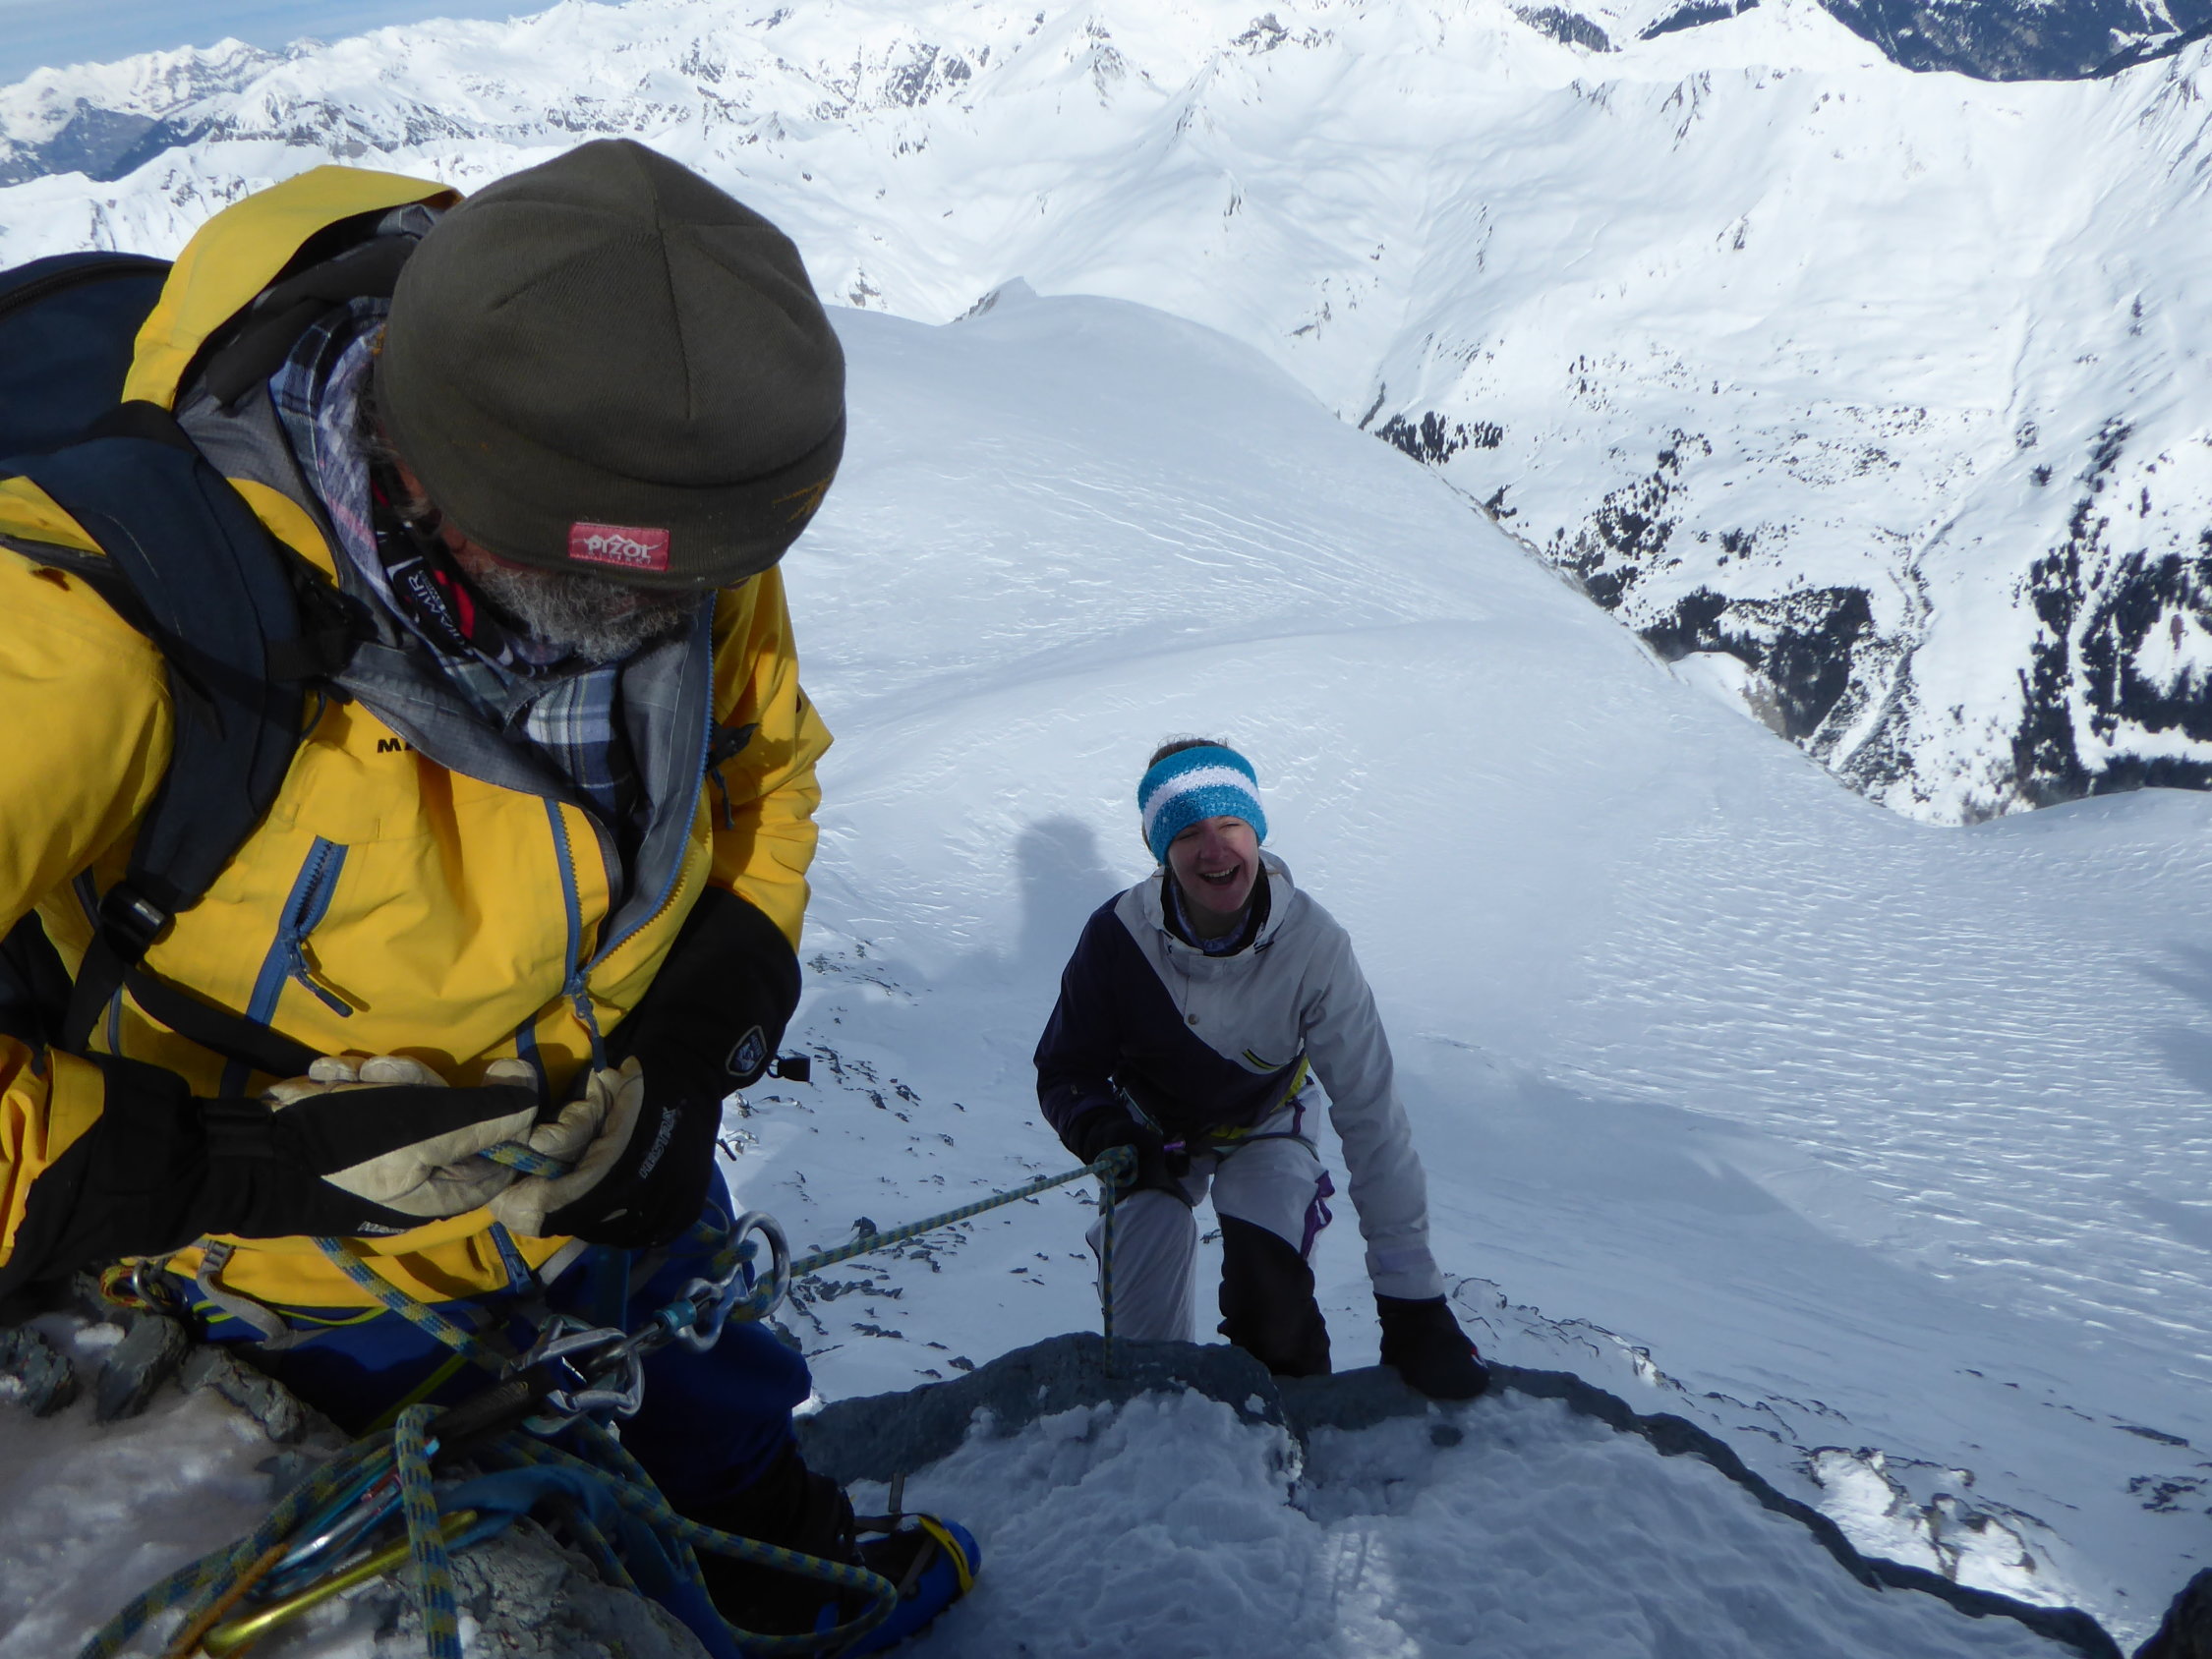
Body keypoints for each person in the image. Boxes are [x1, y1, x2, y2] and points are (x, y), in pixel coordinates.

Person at [0, 140, 967, 1644]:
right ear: (450, 480)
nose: (672, 621)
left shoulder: (658, 481)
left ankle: (770, 1552)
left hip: (608, 1151)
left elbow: (759, 769)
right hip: (289, 1281)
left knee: (708, 1385)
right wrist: (228, 1169)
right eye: (630, 590)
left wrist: (690, 1051)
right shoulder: (92, 640)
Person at [1034, 739, 1488, 1399]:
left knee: (1272, 1301)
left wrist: (1412, 1303)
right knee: (1143, 1344)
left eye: (1231, 825)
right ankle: (1151, 1425)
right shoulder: (1118, 936)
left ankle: (1287, 1432)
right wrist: (1103, 1130)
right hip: (1148, 1135)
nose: (1214, 850)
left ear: (1257, 831)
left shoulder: (1313, 946)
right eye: (1186, 834)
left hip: (1266, 1121)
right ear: (1160, 851)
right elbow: (1065, 1070)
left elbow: (1372, 1117)